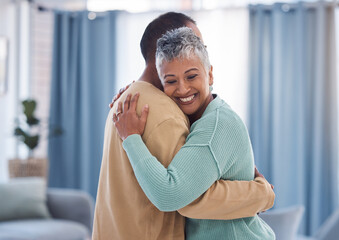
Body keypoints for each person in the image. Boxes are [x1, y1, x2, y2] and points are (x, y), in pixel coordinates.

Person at [93, 12, 275, 240]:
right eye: (194, 43)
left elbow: (187, 187)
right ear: (166, 49)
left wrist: (259, 189)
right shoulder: (163, 114)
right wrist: (261, 194)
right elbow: (180, 196)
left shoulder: (129, 103)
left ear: (209, 74)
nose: (182, 88)